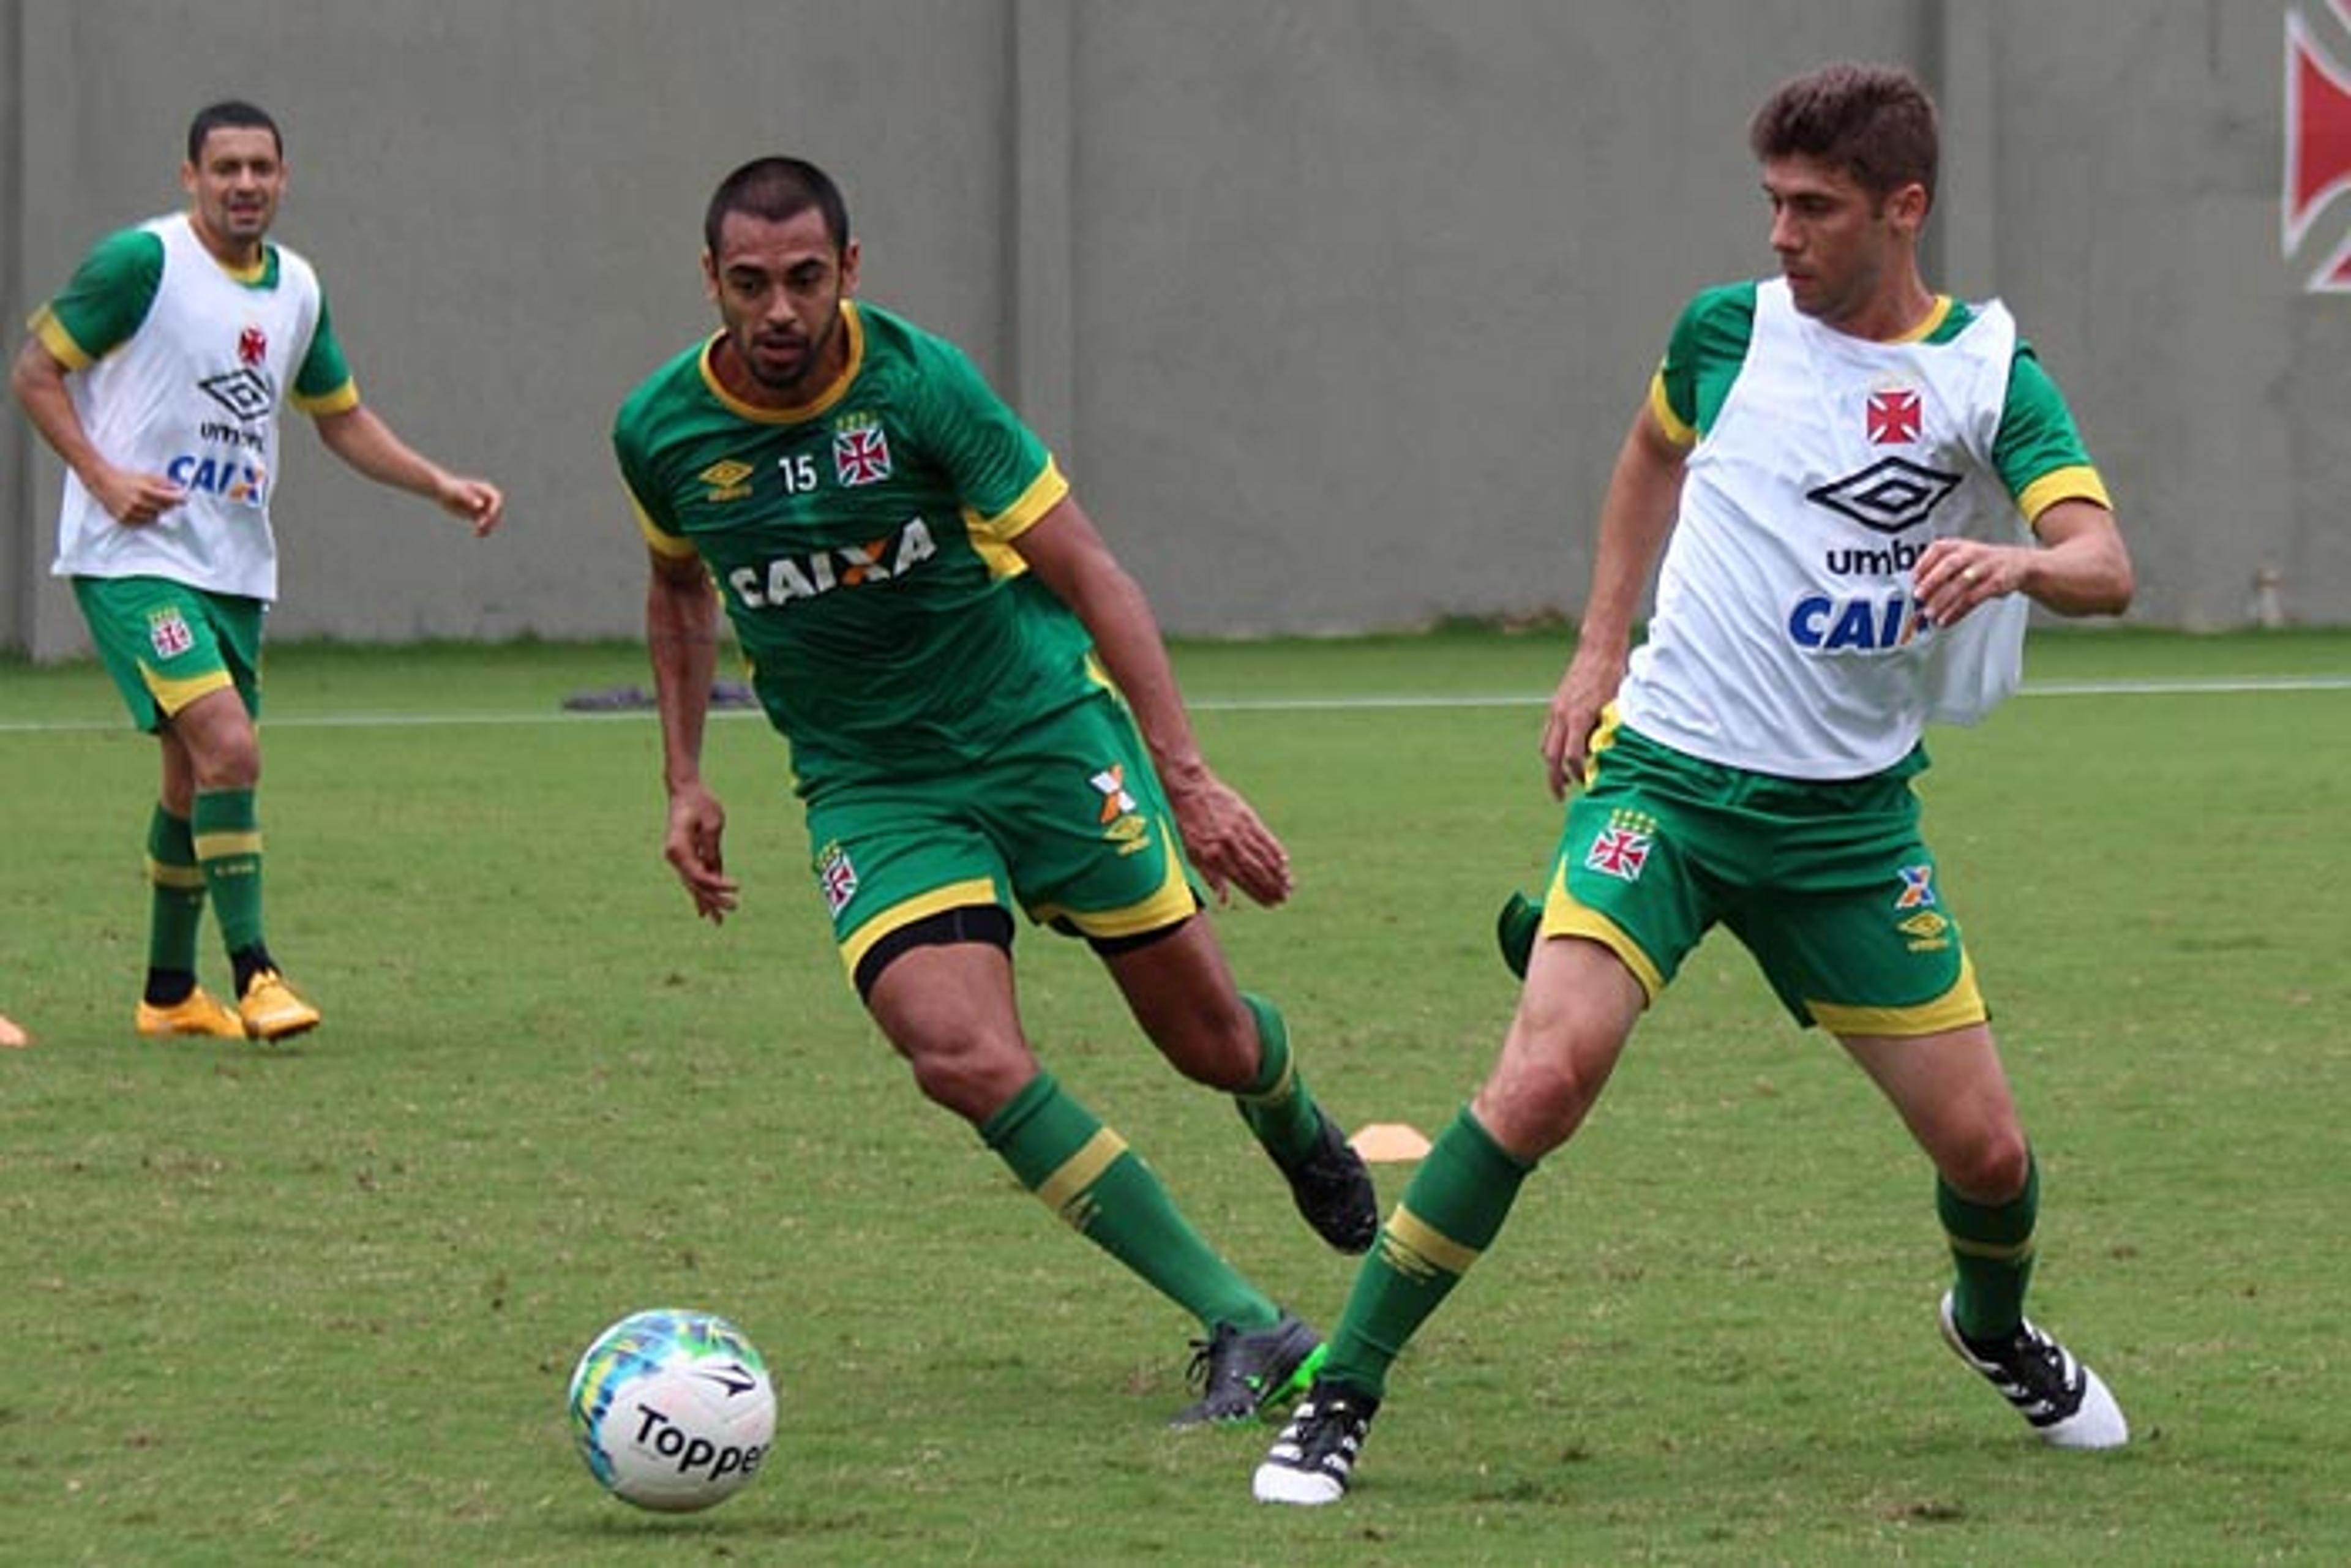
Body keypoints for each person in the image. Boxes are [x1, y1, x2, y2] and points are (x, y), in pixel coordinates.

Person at [1254, 61, 2135, 1506]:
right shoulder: (1727, 332)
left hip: (1847, 825)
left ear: (1904, 209)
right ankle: (1341, 1389)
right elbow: (1649, 453)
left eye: (1817, 208)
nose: (1782, 236)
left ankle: (1993, 1330)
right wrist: (1597, 649)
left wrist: (2026, 559)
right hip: (1665, 780)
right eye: (1772, 203)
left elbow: (2106, 564)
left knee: (1987, 1152)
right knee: (1543, 1083)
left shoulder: (1982, 376)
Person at [614, 156, 1377, 1426]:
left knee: (1209, 1042)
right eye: (750, 286)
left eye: (806, 279)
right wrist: (686, 776)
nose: (781, 312)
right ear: (711, 283)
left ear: (851, 271)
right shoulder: (661, 431)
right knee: (959, 1055)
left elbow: (1089, 571)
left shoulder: (923, 388)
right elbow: (680, 589)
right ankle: (1247, 1321)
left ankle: (1284, 1107)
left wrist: (1187, 776)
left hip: (1037, 735)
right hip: (872, 786)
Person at [10, 101, 504, 1045]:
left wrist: (435, 482)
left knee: (194, 781)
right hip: (132, 559)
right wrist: (105, 476)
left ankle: (166, 994)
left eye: (261, 169)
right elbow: (36, 370)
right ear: (189, 176)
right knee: (229, 747)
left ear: (284, 179)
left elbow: (338, 415)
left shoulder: (298, 290)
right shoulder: (141, 264)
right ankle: (256, 971)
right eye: (225, 167)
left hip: (233, 568)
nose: (244, 184)